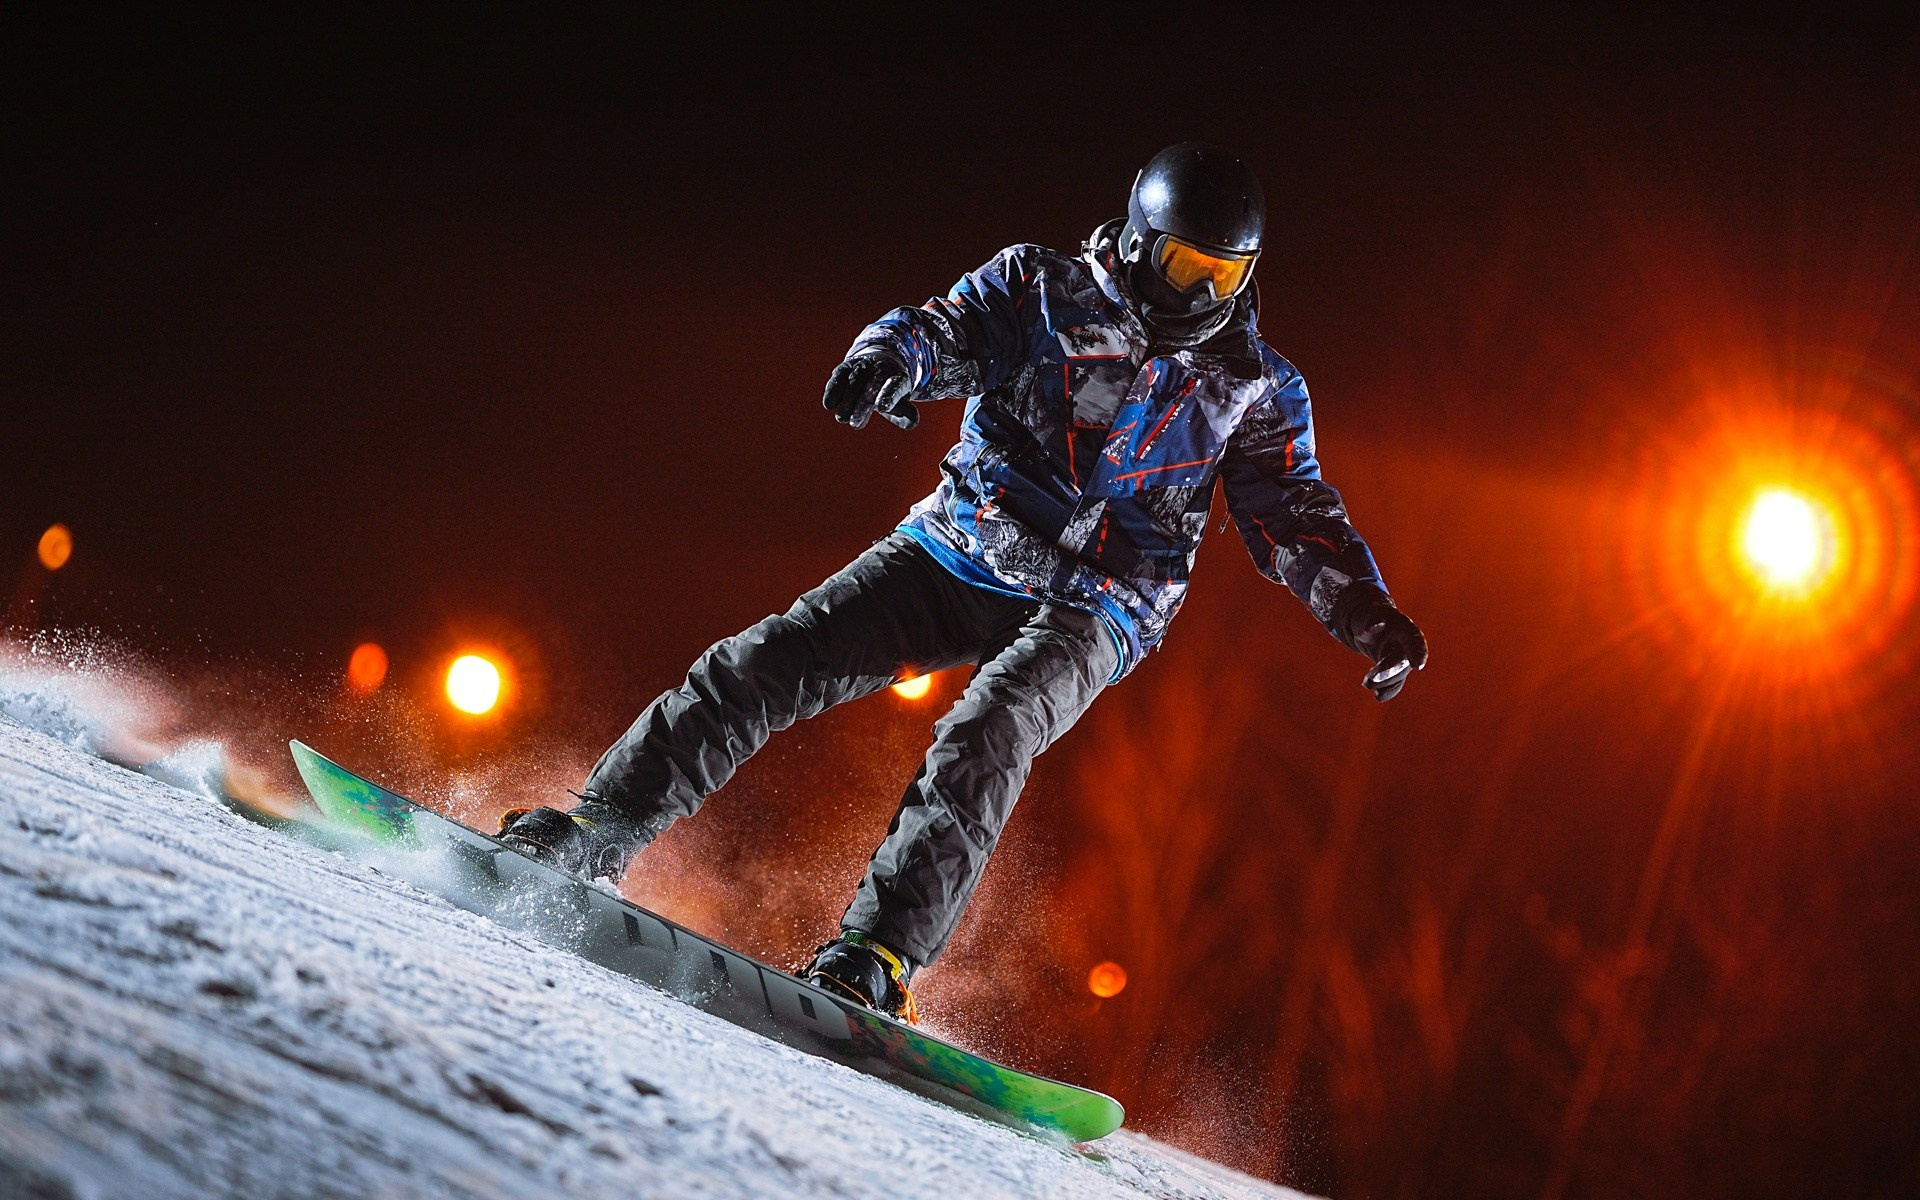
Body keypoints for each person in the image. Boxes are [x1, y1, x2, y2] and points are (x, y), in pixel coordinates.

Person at [497, 143, 1428, 1021]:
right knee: (775, 659)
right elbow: (947, 330)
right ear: (1142, 242)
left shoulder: (1253, 384)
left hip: (1100, 601)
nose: (1206, 296)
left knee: (992, 731)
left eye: (1229, 276)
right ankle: (598, 829)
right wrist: (886, 362)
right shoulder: (1043, 288)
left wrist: (1366, 613)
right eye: (1189, 268)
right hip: (963, 544)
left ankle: (876, 957)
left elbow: (1293, 512)